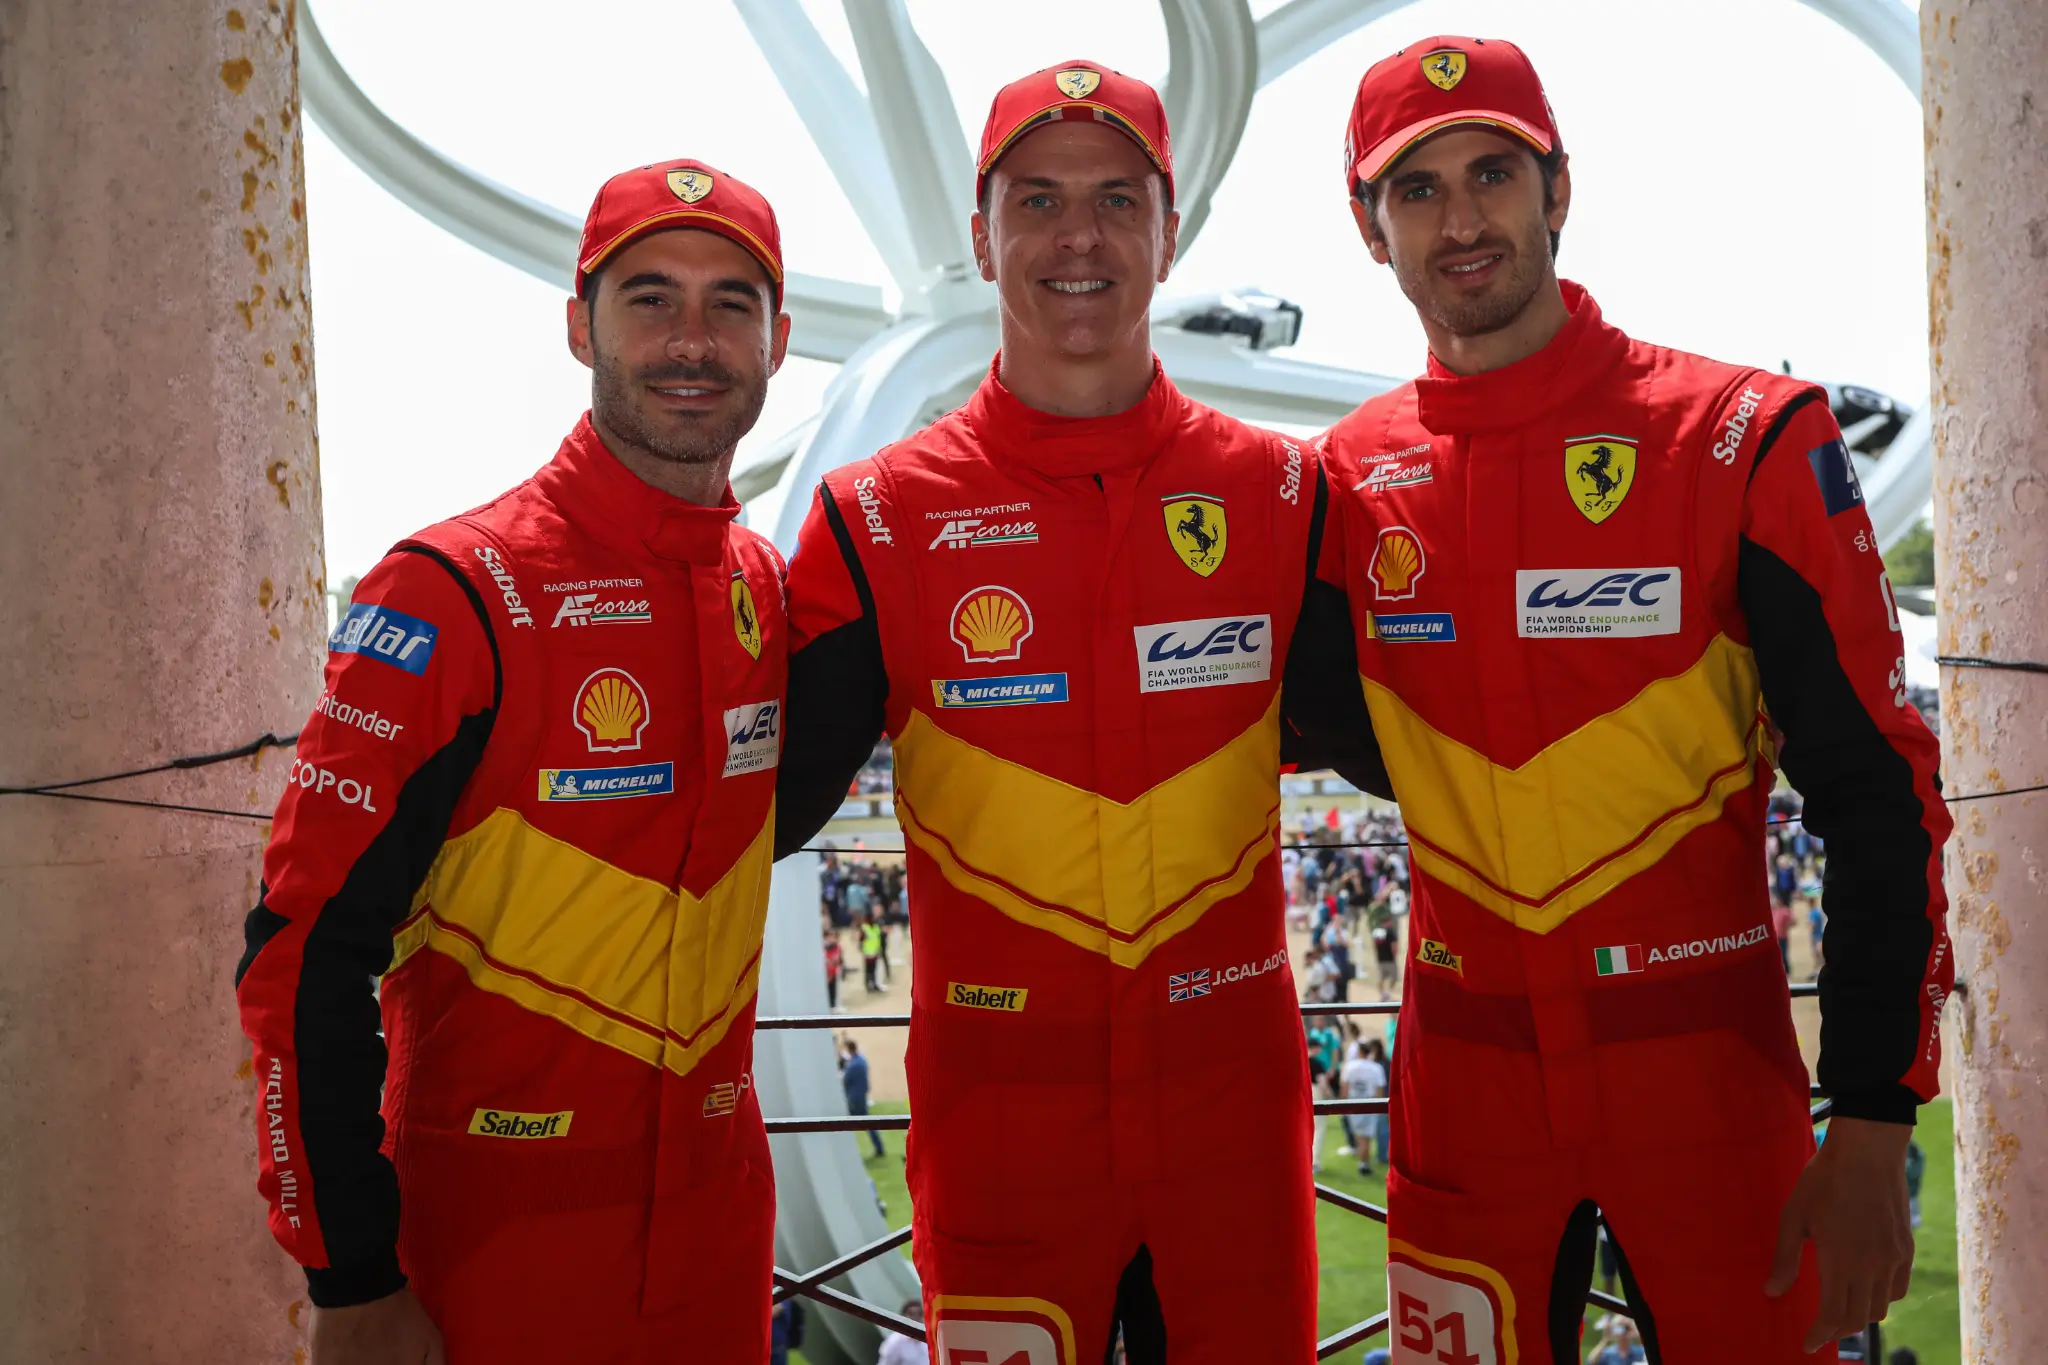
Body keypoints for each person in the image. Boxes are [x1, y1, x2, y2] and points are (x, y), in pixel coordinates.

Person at [1313, 36, 1953, 1361]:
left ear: (1560, 190)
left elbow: (1877, 787)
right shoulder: (1335, 481)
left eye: (1493, 172)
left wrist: (1877, 1111)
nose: (1462, 217)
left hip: (1711, 1081)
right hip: (1462, 1096)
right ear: (1370, 231)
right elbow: (1334, 734)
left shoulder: (1746, 435)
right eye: (1416, 190)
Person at [773, 58, 1379, 1364]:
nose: (1078, 238)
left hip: (1232, 1135)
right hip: (1001, 1139)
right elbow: (736, 814)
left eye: (1116, 199)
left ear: (1171, 231)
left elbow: (1430, 747)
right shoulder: (873, 517)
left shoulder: (1287, 494)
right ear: (981, 235)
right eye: (1038, 200)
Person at [235, 159, 794, 1361]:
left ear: (779, 340)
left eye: (729, 304)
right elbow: (298, 955)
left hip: (719, 1243)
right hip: (489, 1250)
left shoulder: (760, 587)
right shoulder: (448, 590)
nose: (689, 340)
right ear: (577, 327)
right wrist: (351, 1282)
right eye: (649, 298)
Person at [1339, 1038, 1387, 1177]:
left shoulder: (1350, 1066)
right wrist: (1379, 1106)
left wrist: (1341, 1104)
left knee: (1360, 1136)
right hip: (1369, 1103)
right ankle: (1364, 1162)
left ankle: (1363, 1162)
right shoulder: (1376, 1068)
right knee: (1366, 1136)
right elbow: (1379, 1089)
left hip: (1353, 1103)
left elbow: (1345, 1087)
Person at [841, 1035, 885, 1159]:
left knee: (843, 1123)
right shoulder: (861, 1060)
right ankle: (879, 1147)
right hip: (860, 1096)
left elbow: (846, 1080)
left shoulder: (853, 1064)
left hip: (854, 1098)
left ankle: (846, 1151)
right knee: (868, 1124)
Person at [861, 914, 885, 994]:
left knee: (874, 970)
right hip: (868, 953)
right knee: (868, 970)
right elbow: (861, 940)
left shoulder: (876, 927)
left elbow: (879, 938)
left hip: (875, 952)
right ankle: (868, 985)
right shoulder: (864, 928)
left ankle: (874, 984)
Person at [824, 928, 845, 1010]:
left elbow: (840, 959)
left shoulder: (837, 946)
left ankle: (834, 1005)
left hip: (835, 971)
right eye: (830, 937)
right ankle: (830, 1005)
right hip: (827, 972)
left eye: (834, 937)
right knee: (828, 989)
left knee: (834, 989)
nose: (832, 939)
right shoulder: (824, 947)